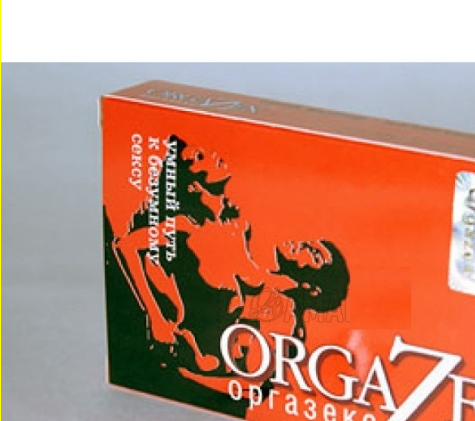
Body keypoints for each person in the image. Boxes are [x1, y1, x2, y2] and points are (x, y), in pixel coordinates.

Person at [111, 134, 350, 396]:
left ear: (314, 287)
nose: (305, 244)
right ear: (193, 188)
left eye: (315, 254)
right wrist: (156, 318)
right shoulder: (193, 228)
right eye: (199, 158)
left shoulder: (242, 238)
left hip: (200, 373)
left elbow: (257, 381)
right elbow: (125, 247)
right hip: (178, 362)